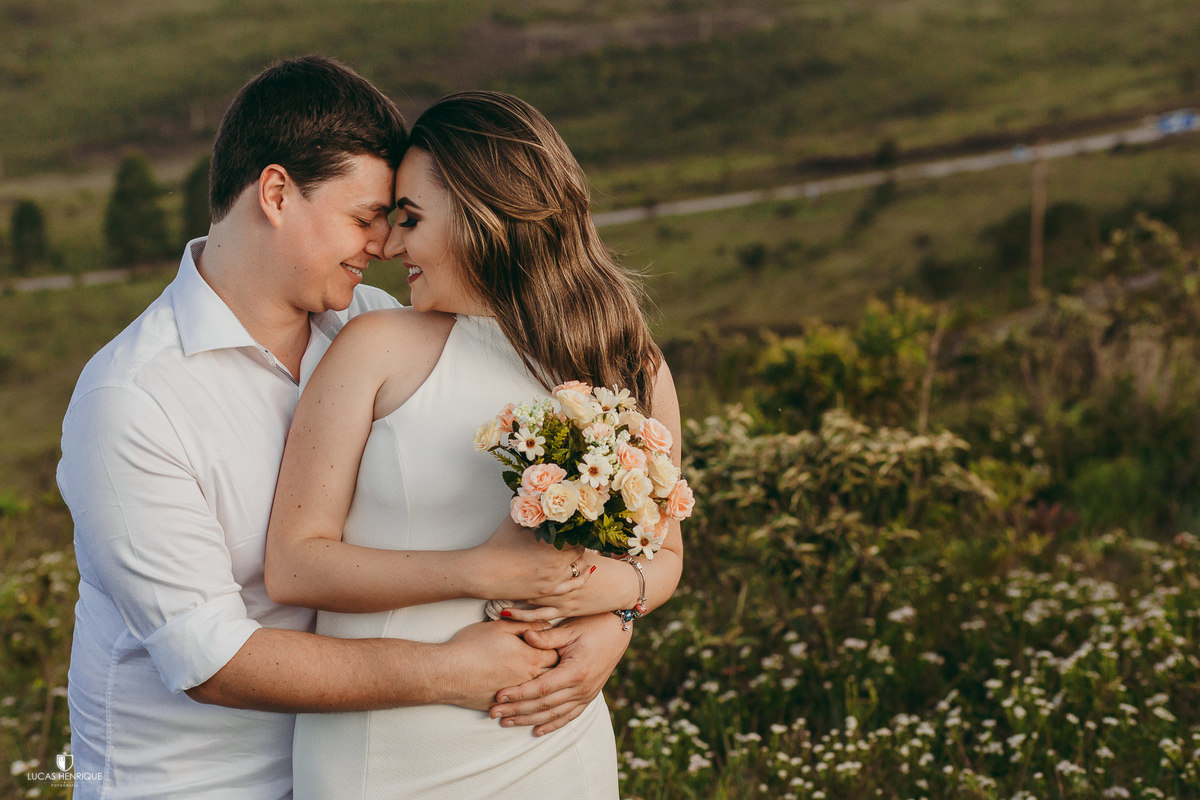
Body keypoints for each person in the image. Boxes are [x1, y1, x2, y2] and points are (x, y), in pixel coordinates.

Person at [57, 57, 628, 800]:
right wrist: (451, 672)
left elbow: (501, 525)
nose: (384, 245)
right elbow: (211, 662)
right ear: (275, 193)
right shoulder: (132, 401)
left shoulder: (377, 327)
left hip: (371, 768)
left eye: (395, 220)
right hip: (196, 785)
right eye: (364, 218)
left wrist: (611, 620)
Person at [263, 90, 685, 799]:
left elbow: (664, 557)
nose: (391, 246)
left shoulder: (626, 363)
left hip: (555, 746)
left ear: (485, 216)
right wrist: (482, 572)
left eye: (412, 219)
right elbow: (296, 567)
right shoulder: (376, 350)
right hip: (387, 755)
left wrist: (614, 614)